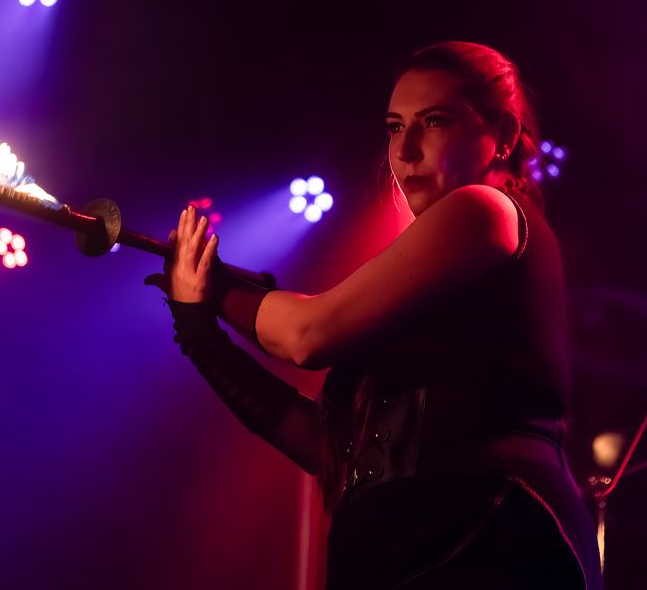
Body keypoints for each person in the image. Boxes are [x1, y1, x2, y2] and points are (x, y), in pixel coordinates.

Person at [146, 41, 601, 589]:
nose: (404, 150)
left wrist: (214, 290)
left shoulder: (485, 209)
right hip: (421, 549)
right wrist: (200, 332)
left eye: (434, 121)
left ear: (502, 134)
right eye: (394, 127)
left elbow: (306, 334)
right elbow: (326, 448)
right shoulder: (444, 268)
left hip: (484, 539)